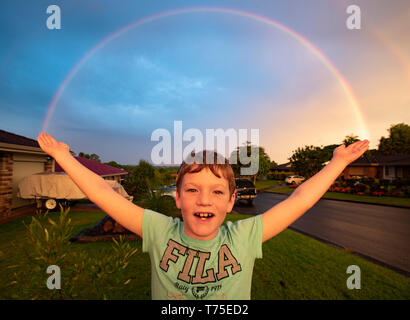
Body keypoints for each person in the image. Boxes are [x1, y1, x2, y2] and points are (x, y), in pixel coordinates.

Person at [37, 132, 370, 299]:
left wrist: (338, 163)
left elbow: (299, 200)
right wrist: (63, 157)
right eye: (193, 190)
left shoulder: (245, 237)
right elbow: (101, 193)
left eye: (216, 191)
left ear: (230, 202)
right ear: (178, 199)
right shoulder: (156, 229)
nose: (203, 200)